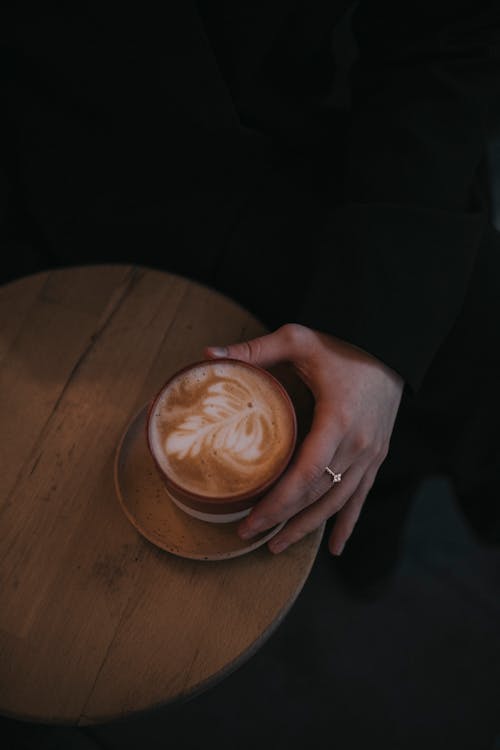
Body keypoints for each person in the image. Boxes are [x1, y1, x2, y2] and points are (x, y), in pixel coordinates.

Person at [2, 1, 499, 590]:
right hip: (71, 229)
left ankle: (373, 545)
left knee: (450, 374)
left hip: (328, 162)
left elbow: (450, 31)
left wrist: (376, 332)